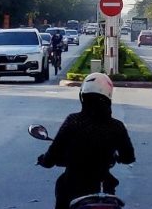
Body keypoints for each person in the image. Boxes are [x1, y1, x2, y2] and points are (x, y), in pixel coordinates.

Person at [37, 73, 136, 209]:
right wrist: (117, 158)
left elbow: (53, 154)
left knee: (61, 187)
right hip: (104, 187)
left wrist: (44, 160)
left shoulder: (73, 121)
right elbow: (129, 157)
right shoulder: (116, 126)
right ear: (108, 97)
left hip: (72, 186)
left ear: (83, 97)